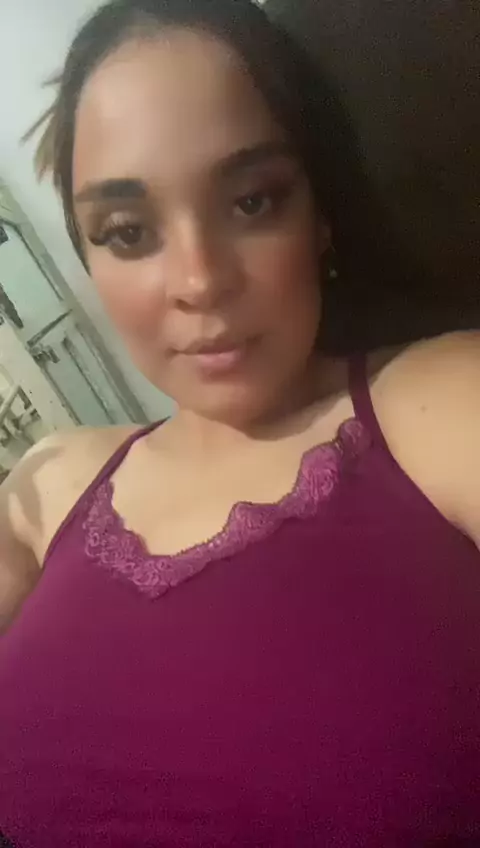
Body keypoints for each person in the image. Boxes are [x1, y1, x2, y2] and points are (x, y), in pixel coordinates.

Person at [0, 0, 479, 844]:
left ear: (320, 214)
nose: (200, 281)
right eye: (128, 232)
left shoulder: (440, 403)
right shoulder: (58, 478)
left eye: (252, 202)